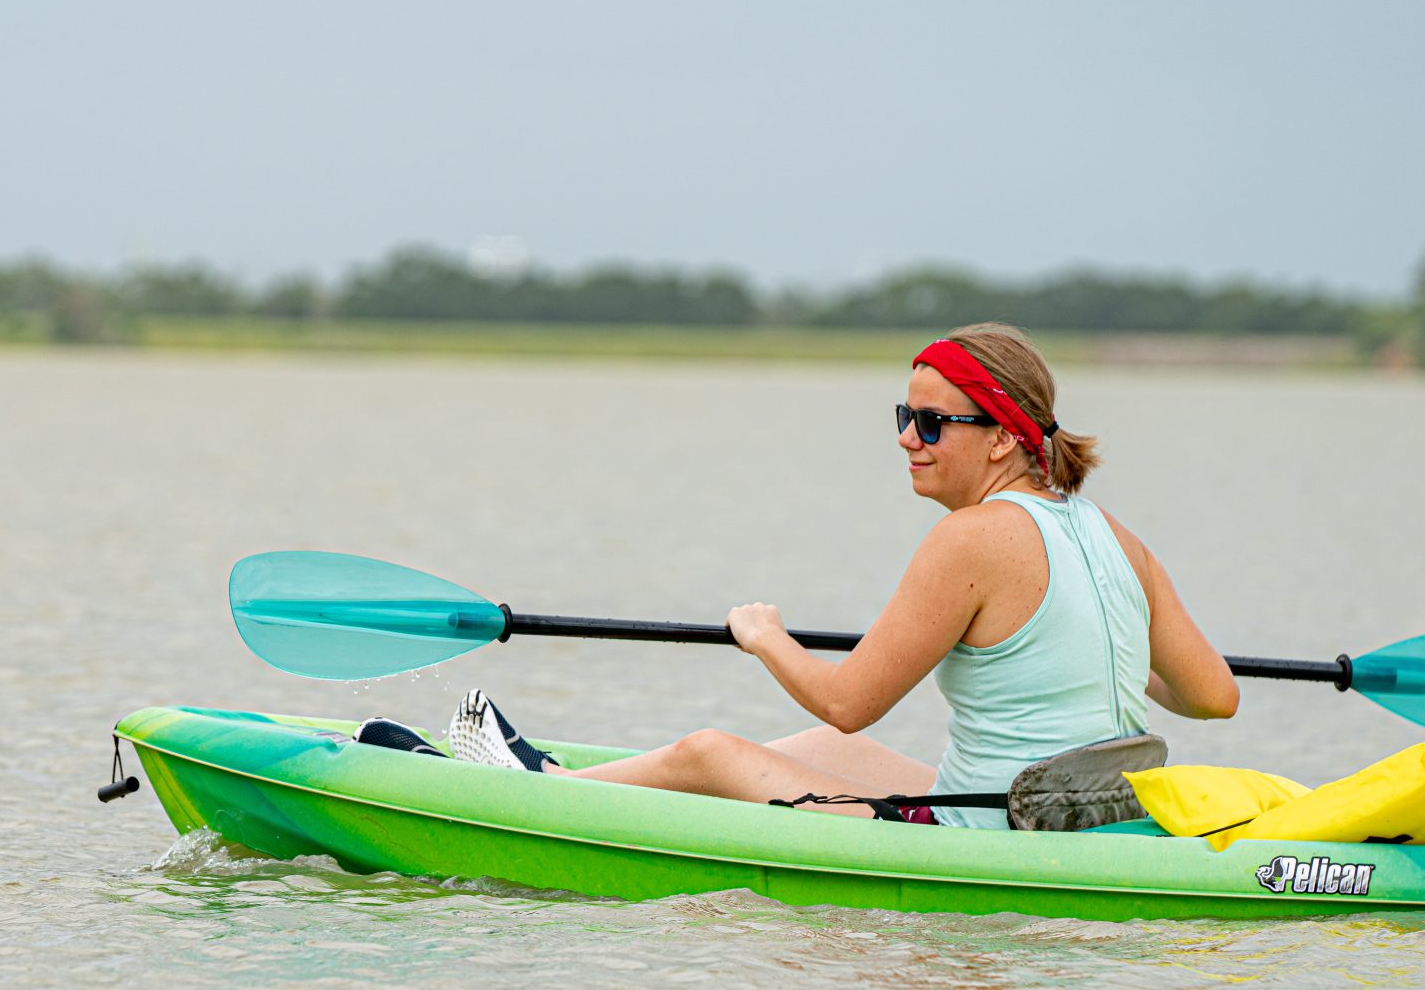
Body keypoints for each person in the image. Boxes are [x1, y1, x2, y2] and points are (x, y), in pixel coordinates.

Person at [389, 323, 1238, 824]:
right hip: (1079, 816)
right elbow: (1212, 696)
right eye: (905, 416)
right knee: (817, 750)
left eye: (933, 423)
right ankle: (562, 779)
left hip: (998, 832)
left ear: (1005, 437)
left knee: (713, 750)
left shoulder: (972, 540)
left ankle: (534, 795)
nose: (908, 437)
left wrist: (766, 639)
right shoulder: (1116, 538)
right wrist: (1100, 652)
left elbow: (848, 697)